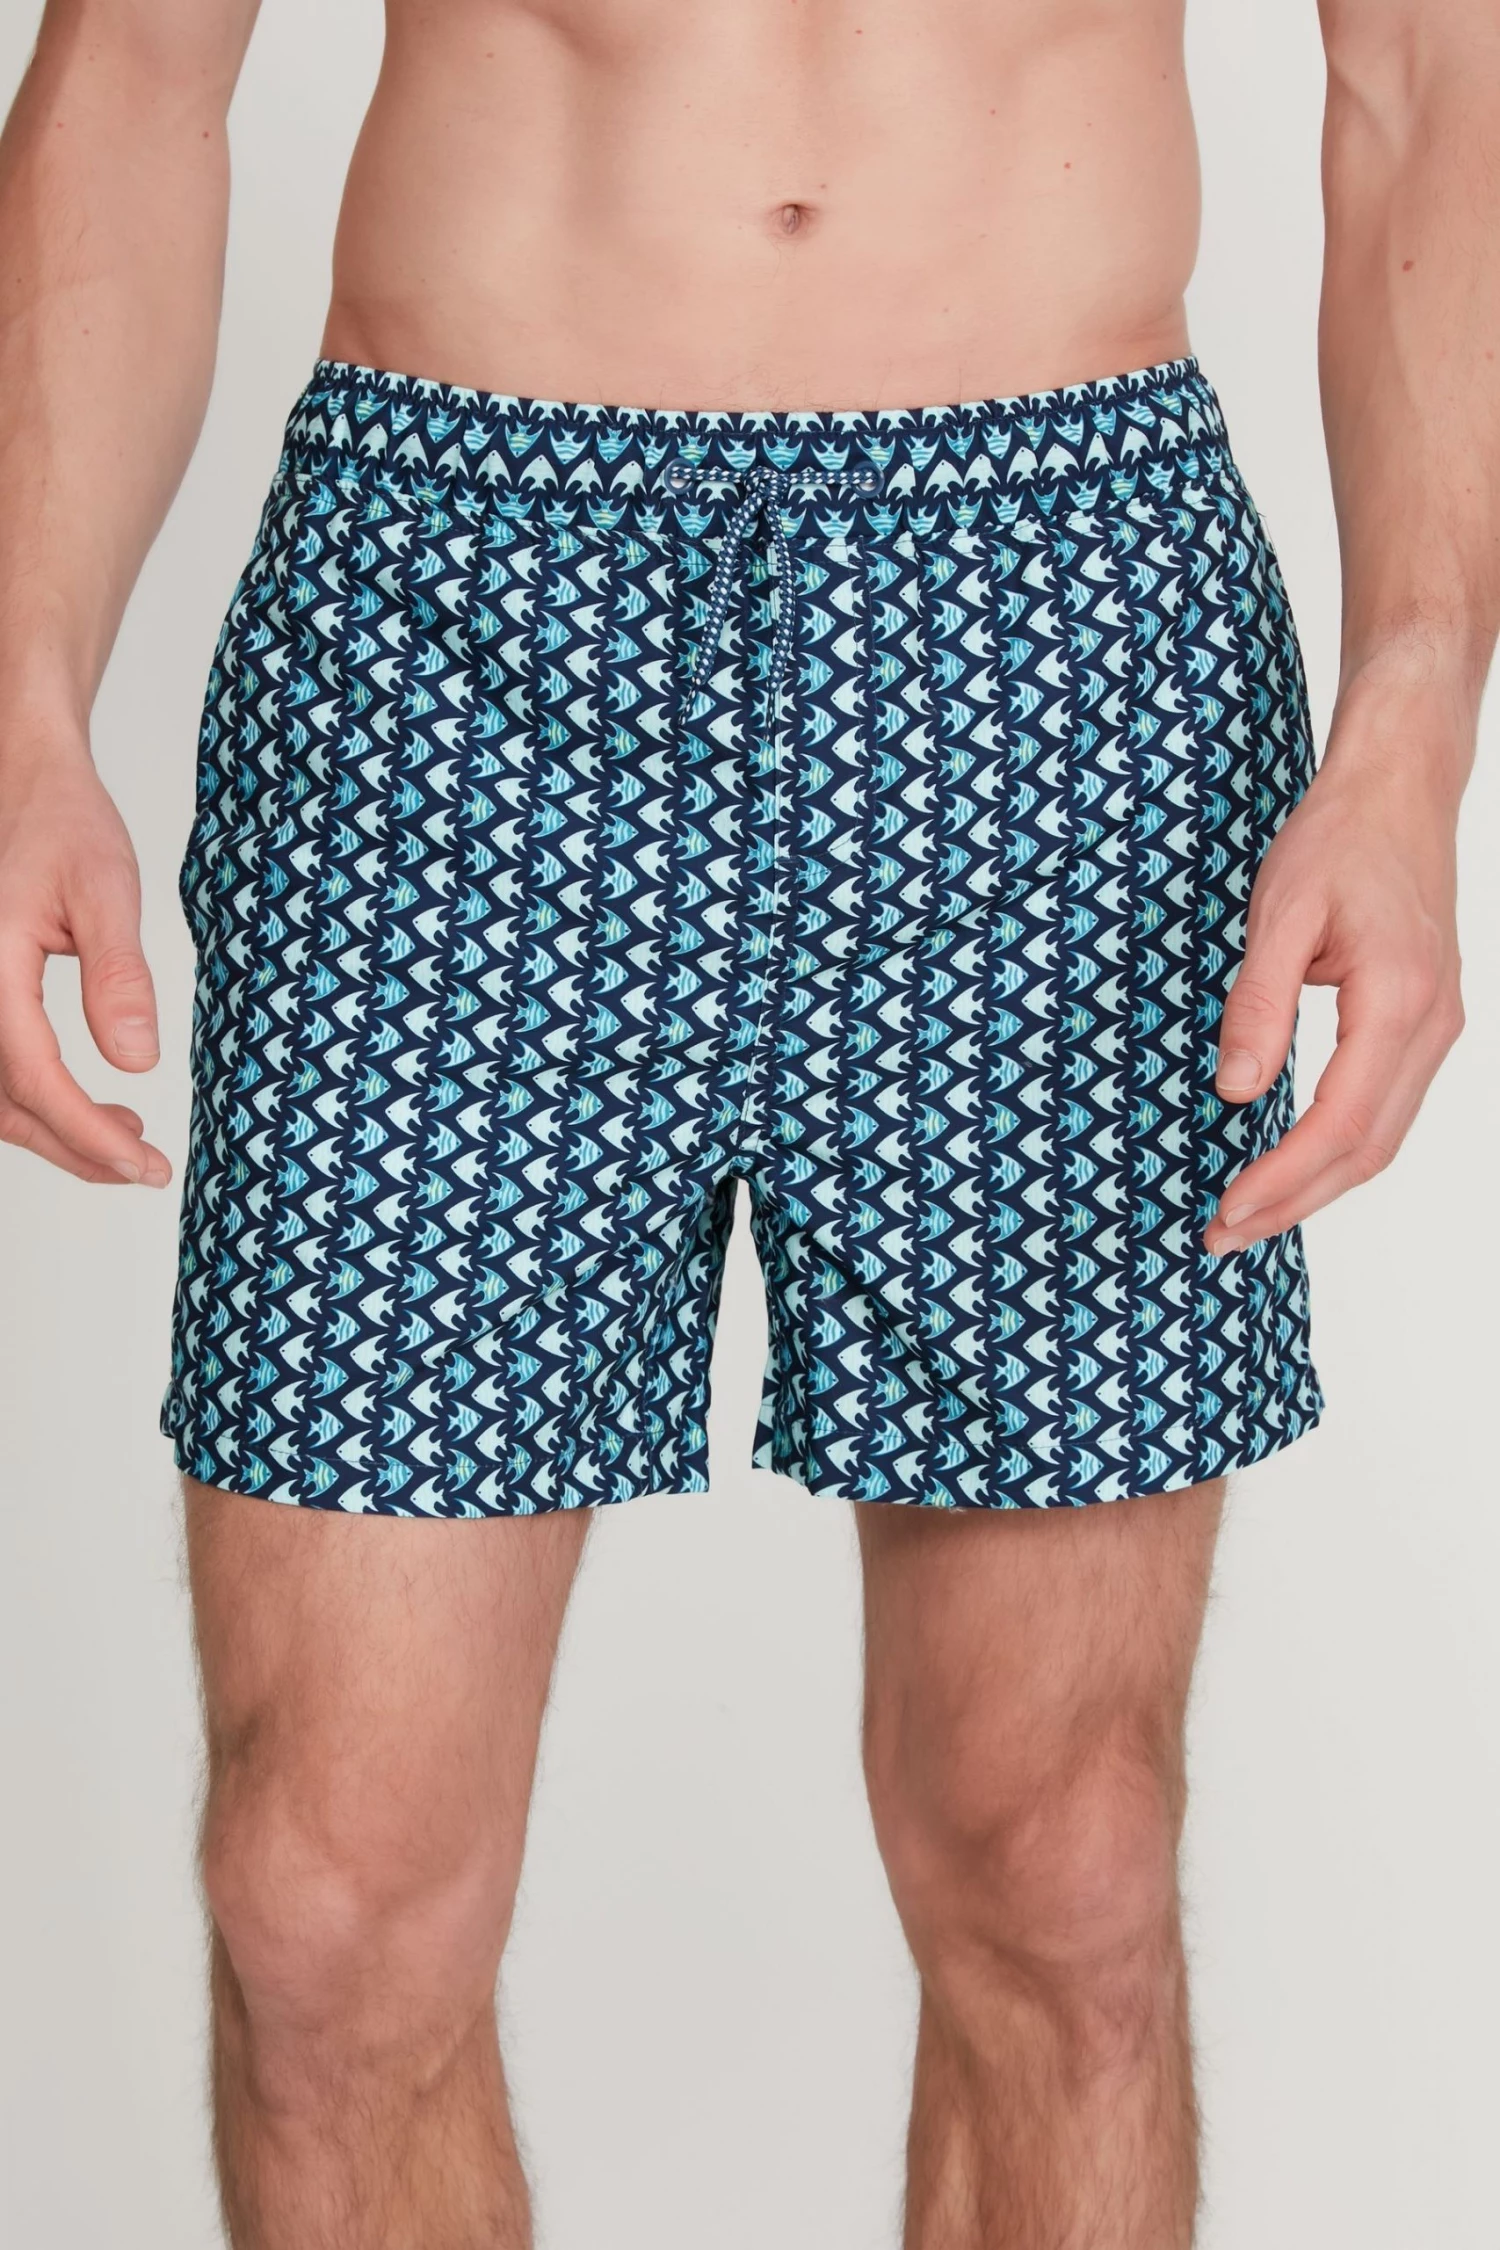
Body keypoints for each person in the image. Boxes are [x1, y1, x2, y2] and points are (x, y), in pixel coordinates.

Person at [0, 0, 1490, 2242]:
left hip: (1059, 635)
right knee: (325, 1900)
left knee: (1060, 1859)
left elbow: (1435, 78)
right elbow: (134, 69)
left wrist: (1415, 706)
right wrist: (19, 688)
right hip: (451, 630)